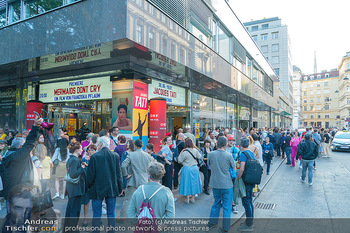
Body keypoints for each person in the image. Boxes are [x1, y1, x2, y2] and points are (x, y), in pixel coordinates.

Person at [2, 116, 43, 203]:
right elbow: (29, 143)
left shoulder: (7, 154)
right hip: (19, 194)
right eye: (23, 145)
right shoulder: (17, 156)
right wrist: (36, 125)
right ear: (20, 147)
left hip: (10, 194)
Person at [86, 136, 123, 232]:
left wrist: (88, 187)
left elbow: (90, 175)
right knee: (111, 212)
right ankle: (111, 230)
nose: (97, 146)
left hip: (97, 188)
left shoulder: (95, 157)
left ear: (101, 144)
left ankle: (96, 230)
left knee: (97, 213)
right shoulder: (115, 156)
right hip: (111, 187)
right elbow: (119, 173)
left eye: (98, 144)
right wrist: (120, 188)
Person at [120, 139, 154, 217]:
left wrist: (126, 175)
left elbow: (123, 165)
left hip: (132, 181)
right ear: (142, 146)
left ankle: (122, 217)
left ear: (135, 146)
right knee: (143, 201)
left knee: (128, 201)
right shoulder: (148, 156)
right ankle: (143, 216)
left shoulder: (131, 155)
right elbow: (153, 166)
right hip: (144, 181)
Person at [208, 137, 235, 233]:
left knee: (216, 202)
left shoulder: (211, 154)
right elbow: (234, 168)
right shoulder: (229, 155)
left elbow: (210, 166)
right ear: (226, 144)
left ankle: (212, 222)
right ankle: (225, 228)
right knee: (227, 207)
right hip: (227, 184)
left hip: (215, 183)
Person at [64, 140, 86, 232]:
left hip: (72, 188)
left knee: (71, 209)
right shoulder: (75, 160)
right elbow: (73, 174)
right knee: (74, 211)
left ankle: (68, 228)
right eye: (81, 148)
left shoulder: (71, 159)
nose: (82, 150)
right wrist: (82, 168)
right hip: (75, 189)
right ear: (76, 150)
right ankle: (72, 229)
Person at [237, 137, 256, 231]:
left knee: (246, 201)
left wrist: (238, 178)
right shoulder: (251, 152)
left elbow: (242, 169)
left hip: (246, 181)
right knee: (250, 201)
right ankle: (250, 221)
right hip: (251, 180)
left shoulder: (243, 154)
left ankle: (249, 225)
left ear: (241, 145)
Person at [178, 138, 202, 204]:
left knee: (187, 183)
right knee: (194, 183)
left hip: (187, 169)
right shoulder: (195, 150)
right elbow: (200, 157)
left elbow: (179, 160)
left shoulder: (184, 152)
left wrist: (180, 153)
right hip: (194, 168)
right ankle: (193, 198)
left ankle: (187, 198)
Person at [81, 144, 96, 226]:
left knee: (95, 202)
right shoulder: (84, 159)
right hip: (86, 183)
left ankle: (95, 219)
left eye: (92, 150)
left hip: (94, 183)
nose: (90, 152)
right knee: (86, 202)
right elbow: (82, 170)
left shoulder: (97, 159)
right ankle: (85, 219)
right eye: (89, 150)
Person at [52, 128, 69, 200]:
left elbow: (53, 158)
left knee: (57, 179)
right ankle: (63, 194)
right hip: (66, 165)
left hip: (59, 164)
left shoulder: (58, 149)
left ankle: (57, 193)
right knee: (64, 180)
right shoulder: (67, 149)